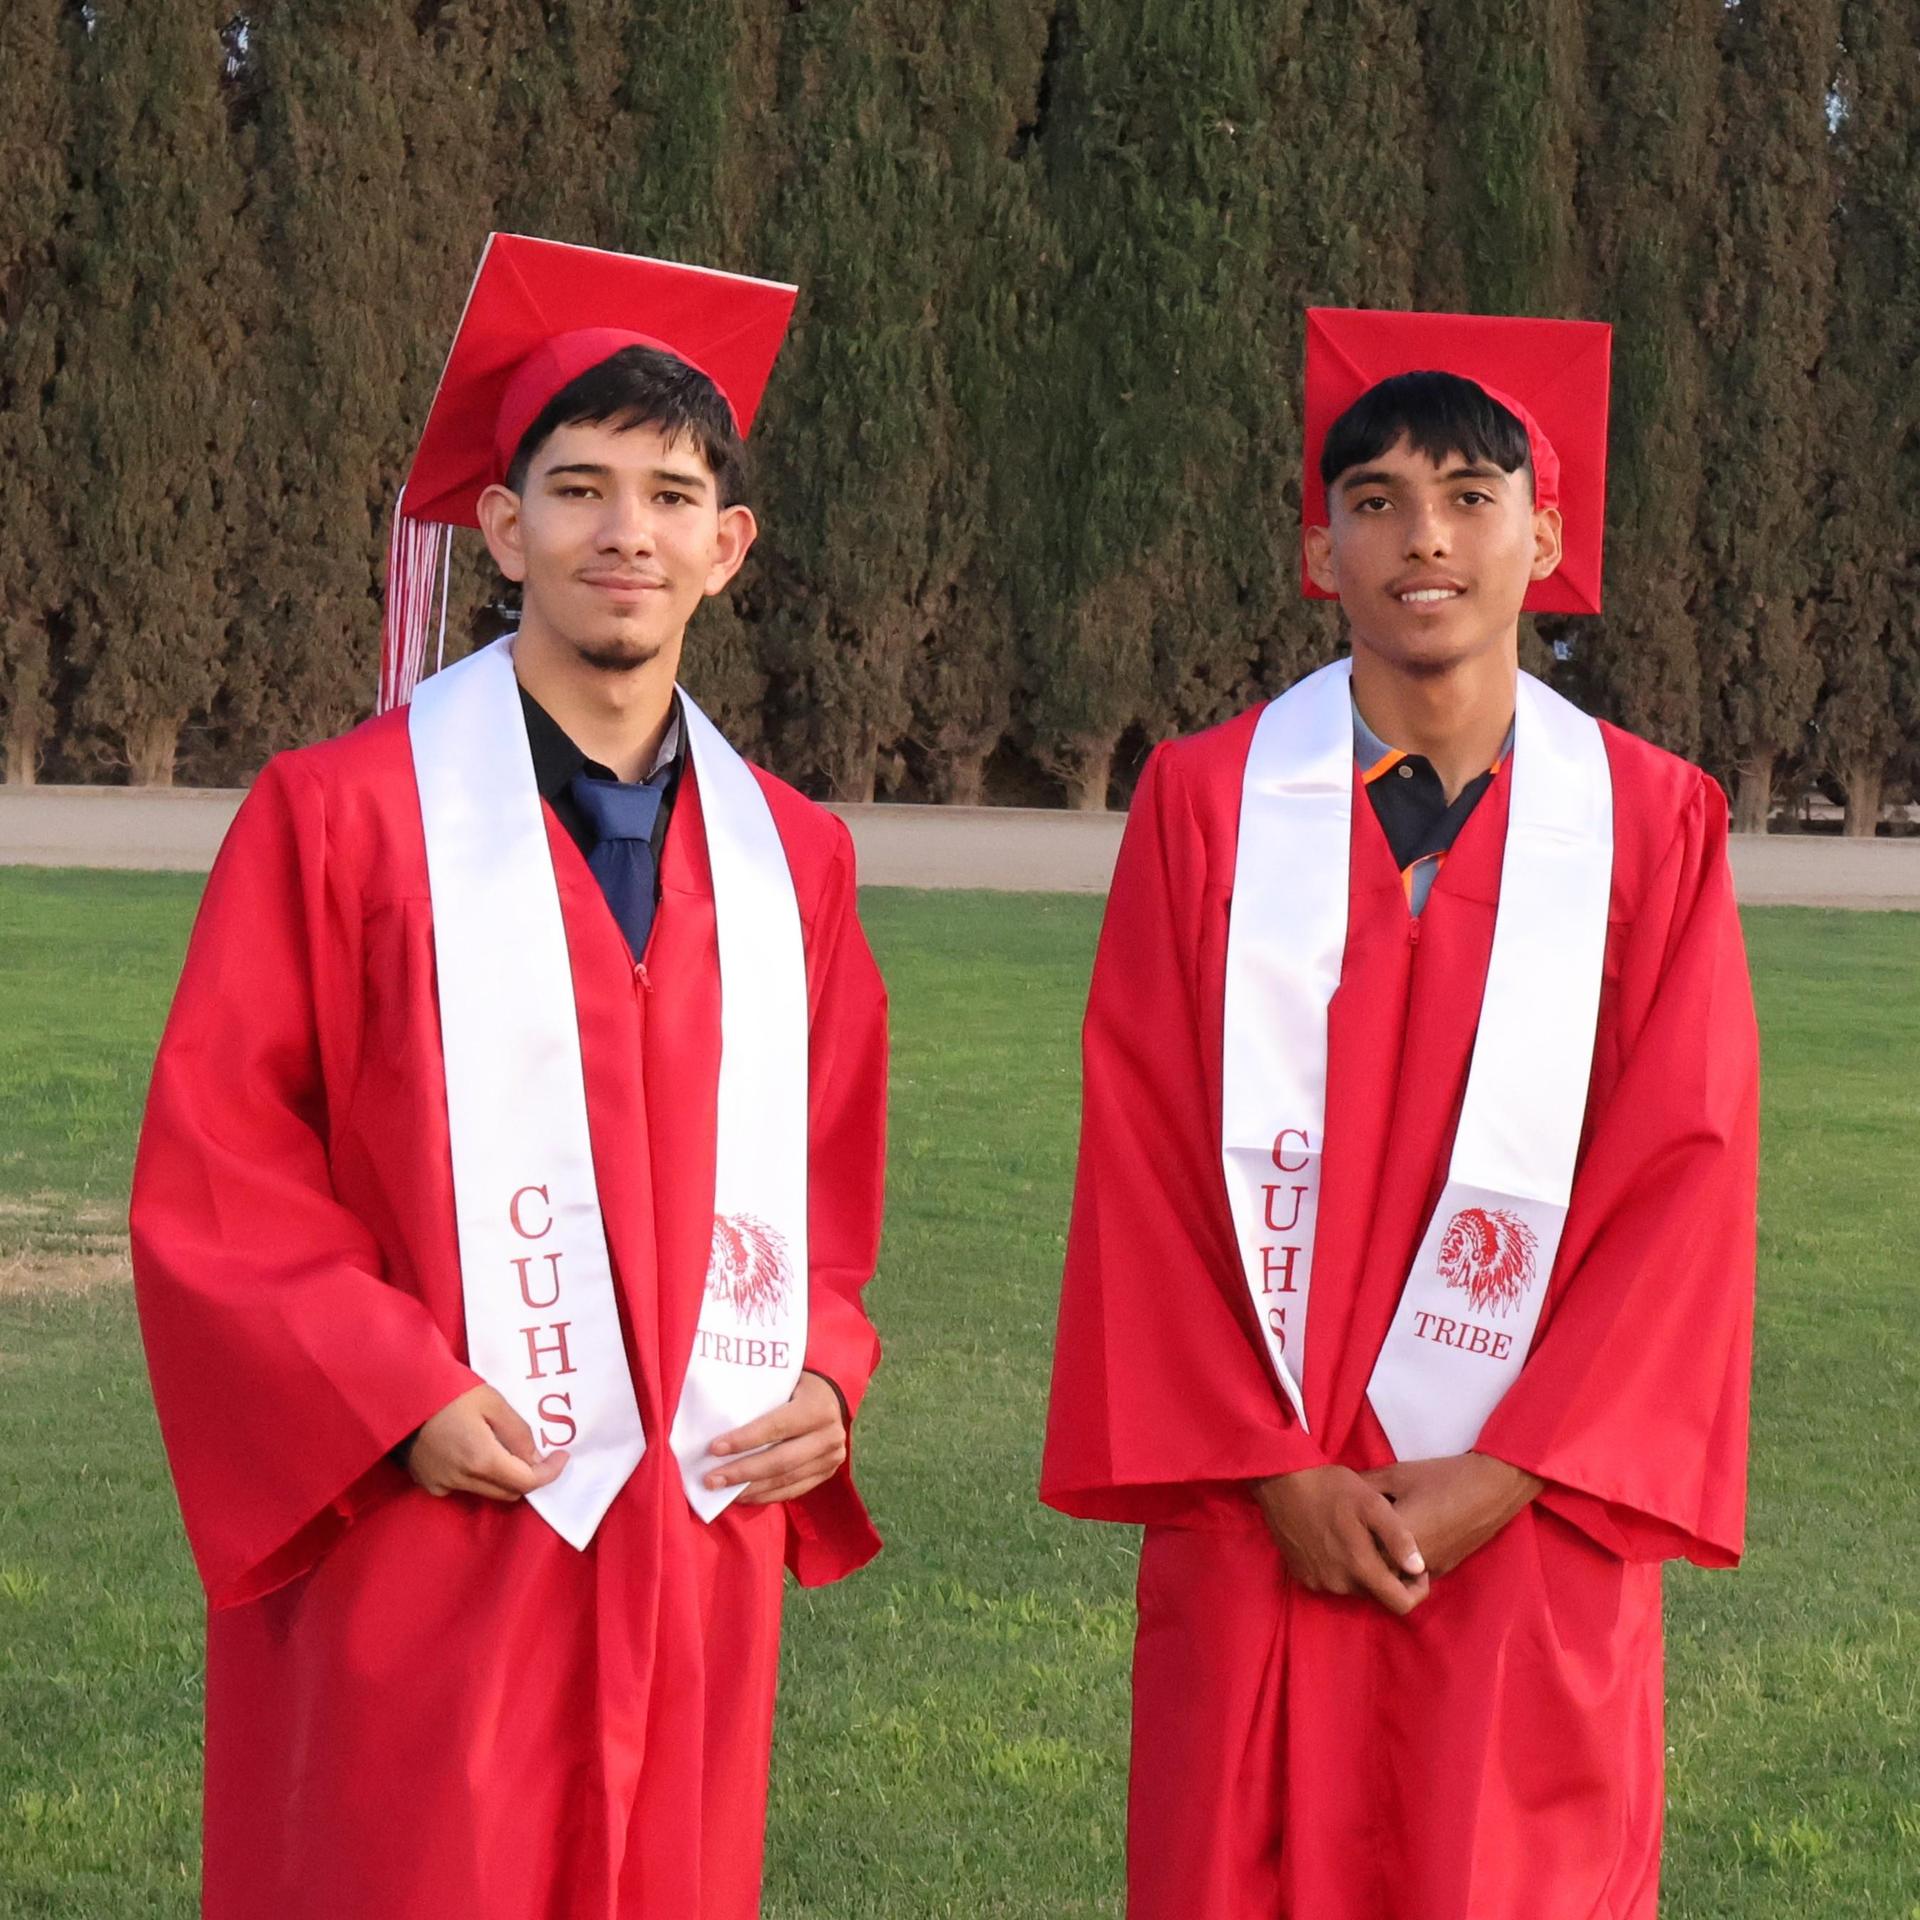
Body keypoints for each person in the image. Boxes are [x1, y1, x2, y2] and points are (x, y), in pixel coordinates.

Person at [131, 234, 889, 1920]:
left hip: (687, 1526)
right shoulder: (340, 818)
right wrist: (390, 1395)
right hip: (441, 1507)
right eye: (580, 489)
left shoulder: (795, 860)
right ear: (501, 527)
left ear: (727, 547)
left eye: (672, 496)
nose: (628, 532)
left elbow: (828, 1182)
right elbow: (222, 1168)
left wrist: (828, 1371)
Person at [1041, 307, 1757, 1919]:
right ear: (1322, 552)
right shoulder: (1206, 804)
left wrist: (1511, 1467)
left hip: (1528, 1527)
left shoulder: (1654, 826)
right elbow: (1144, 1152)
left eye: (1470, 497)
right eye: (1376, 502)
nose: (1424, 537)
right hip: (1262, 1513)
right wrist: (1272, 1467)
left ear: (1546, 539)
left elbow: (1686, 1183)